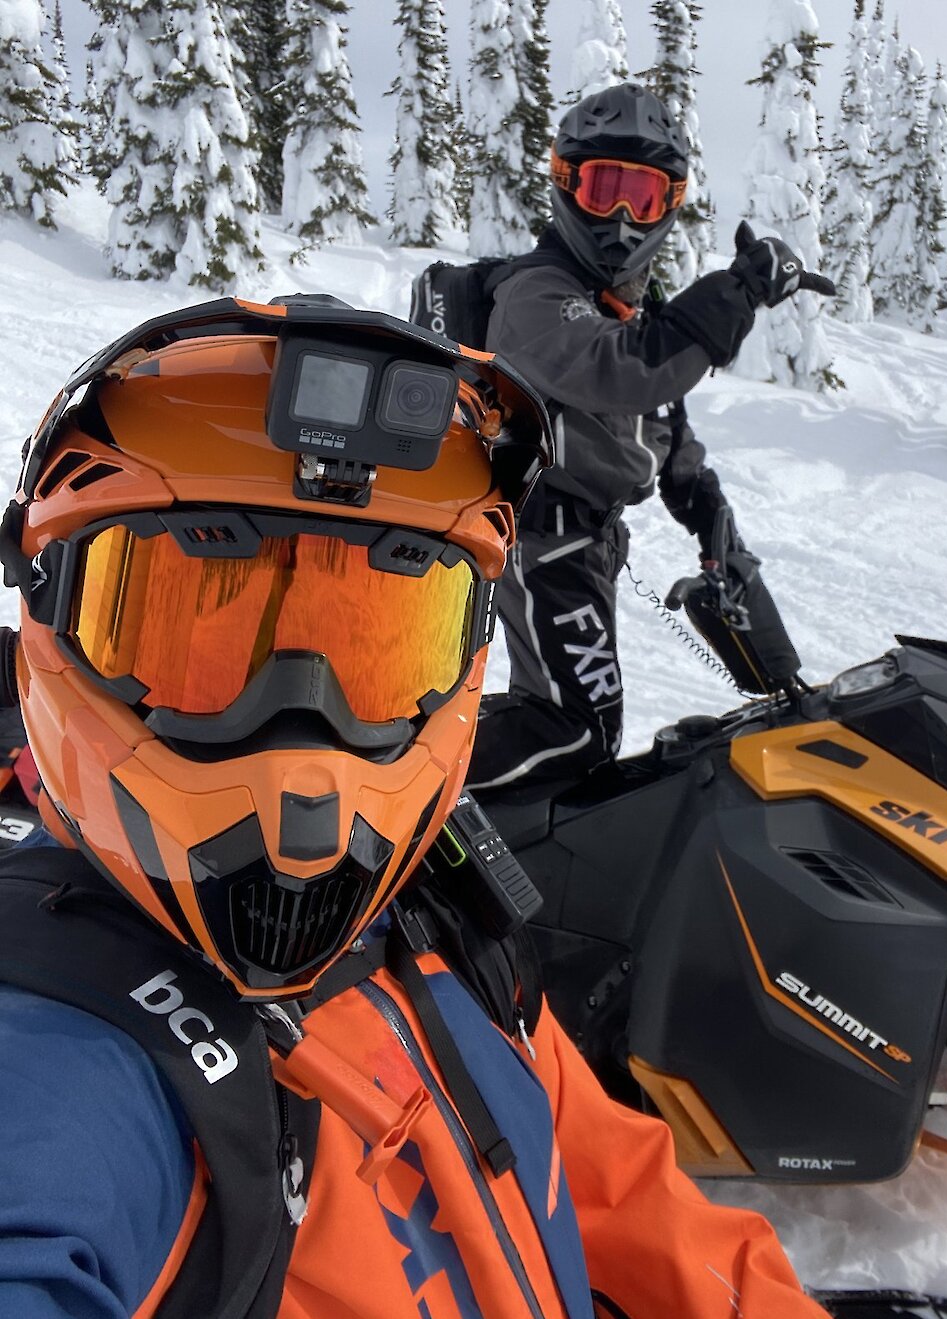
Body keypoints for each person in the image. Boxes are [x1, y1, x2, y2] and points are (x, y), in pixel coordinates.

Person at [0, 297, 831, 1318]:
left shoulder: (442, 931)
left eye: (374, 648)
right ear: (51, 609)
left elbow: (628, 1196)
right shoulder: (66, 1059)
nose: (304, 736)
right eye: (203, 643)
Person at [466, 82, 828, 790]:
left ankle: (465, 843)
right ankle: (398, 818)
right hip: (537, 540)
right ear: (565, 185)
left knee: (563, 718)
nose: (625, 218)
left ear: (673, 203)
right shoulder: (535, 293)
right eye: (605, 190)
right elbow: (628, 371)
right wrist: (739, 294)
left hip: (582, 544)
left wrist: (708, 513)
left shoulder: (630, 307)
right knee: (574, 730)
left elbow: (664, 427)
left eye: (646, 196)